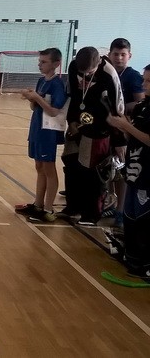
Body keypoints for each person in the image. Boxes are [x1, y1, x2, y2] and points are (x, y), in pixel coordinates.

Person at [60, 46, 125, 226]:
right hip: (77, 126)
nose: (85, 76)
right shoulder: (74, 67)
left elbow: (117, 108)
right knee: (71, 164)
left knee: (93, 172)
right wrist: (72, 121)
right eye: (82, 73)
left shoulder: (109, 74)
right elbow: (74, 96)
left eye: (89, 72)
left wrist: (119, 141)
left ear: (98, 63)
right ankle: (72, 207)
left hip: (99, 130)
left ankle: (91, 214)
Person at [107, 64, 150, 280]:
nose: (144, 84)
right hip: (134, 168)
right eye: (144, 79)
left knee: (144, 217)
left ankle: (146, 260)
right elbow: (133, 135)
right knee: (131, 215)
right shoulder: (142, 106)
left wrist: (128, 127)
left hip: (148, 174)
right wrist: (121, 126)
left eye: (148, 81)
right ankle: (133, 256)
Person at [15, 48, 67, 222]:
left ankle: (48, 209)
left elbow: (54, 111)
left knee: (49, 168)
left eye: (44, 62)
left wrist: (37, 97)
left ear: (56, 64)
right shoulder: (41, 81)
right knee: (39, 167)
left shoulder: (57, 84)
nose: (40, 64)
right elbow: (35, 107)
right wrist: (31, 99)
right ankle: (38, 204)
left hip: (48, 131)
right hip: (37, 127)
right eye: (40, 61)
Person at [106, 38, 143, 229]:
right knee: (108, 168)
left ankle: (121, 210)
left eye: (123, 54)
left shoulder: (133, 76)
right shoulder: (106, 72)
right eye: (116, 54)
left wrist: (119, 107)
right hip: (108, 128)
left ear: (129, 56)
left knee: (122, 170)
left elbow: (140, 102)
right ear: (109, 54)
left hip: (124, 129)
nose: (119, 58)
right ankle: (111, 203)